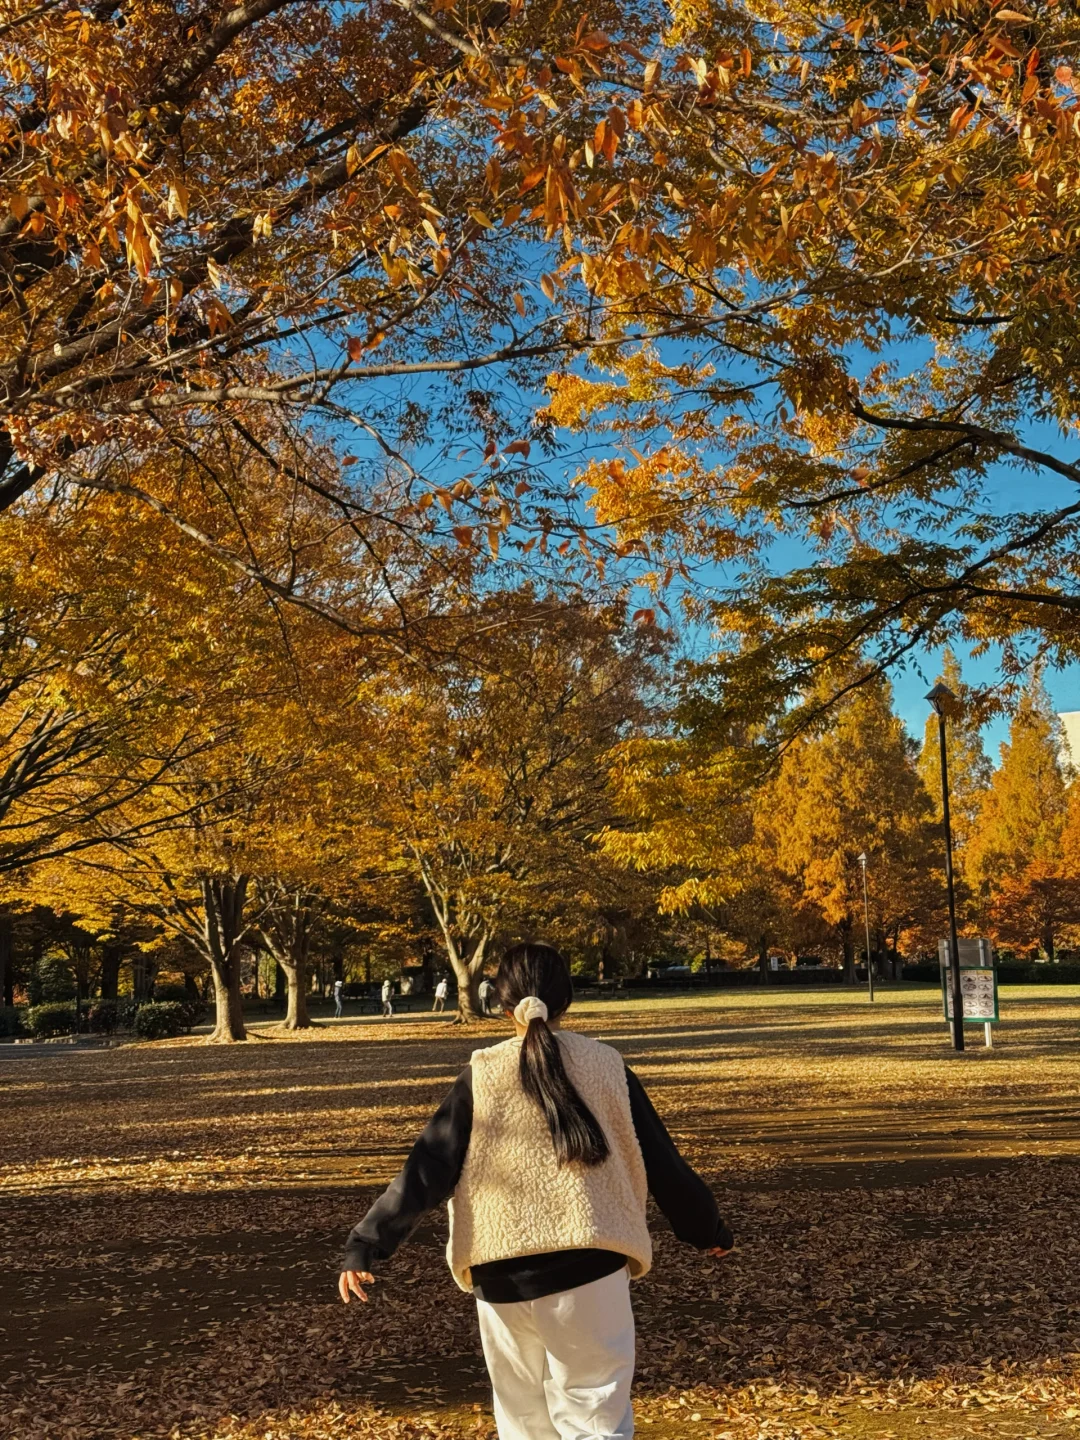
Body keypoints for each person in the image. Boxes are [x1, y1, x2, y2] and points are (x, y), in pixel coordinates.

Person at [339, 941, 733, 1440]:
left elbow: (429, 1166)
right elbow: (661, 1160)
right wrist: (706, 1229)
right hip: (591, 1264)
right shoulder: (608, 1068)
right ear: (568, 999)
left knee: (523, 1422)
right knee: (596, 1413)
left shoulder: (480, 1074)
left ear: (501, 1006)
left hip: (500, 1274)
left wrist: (367, 1244)